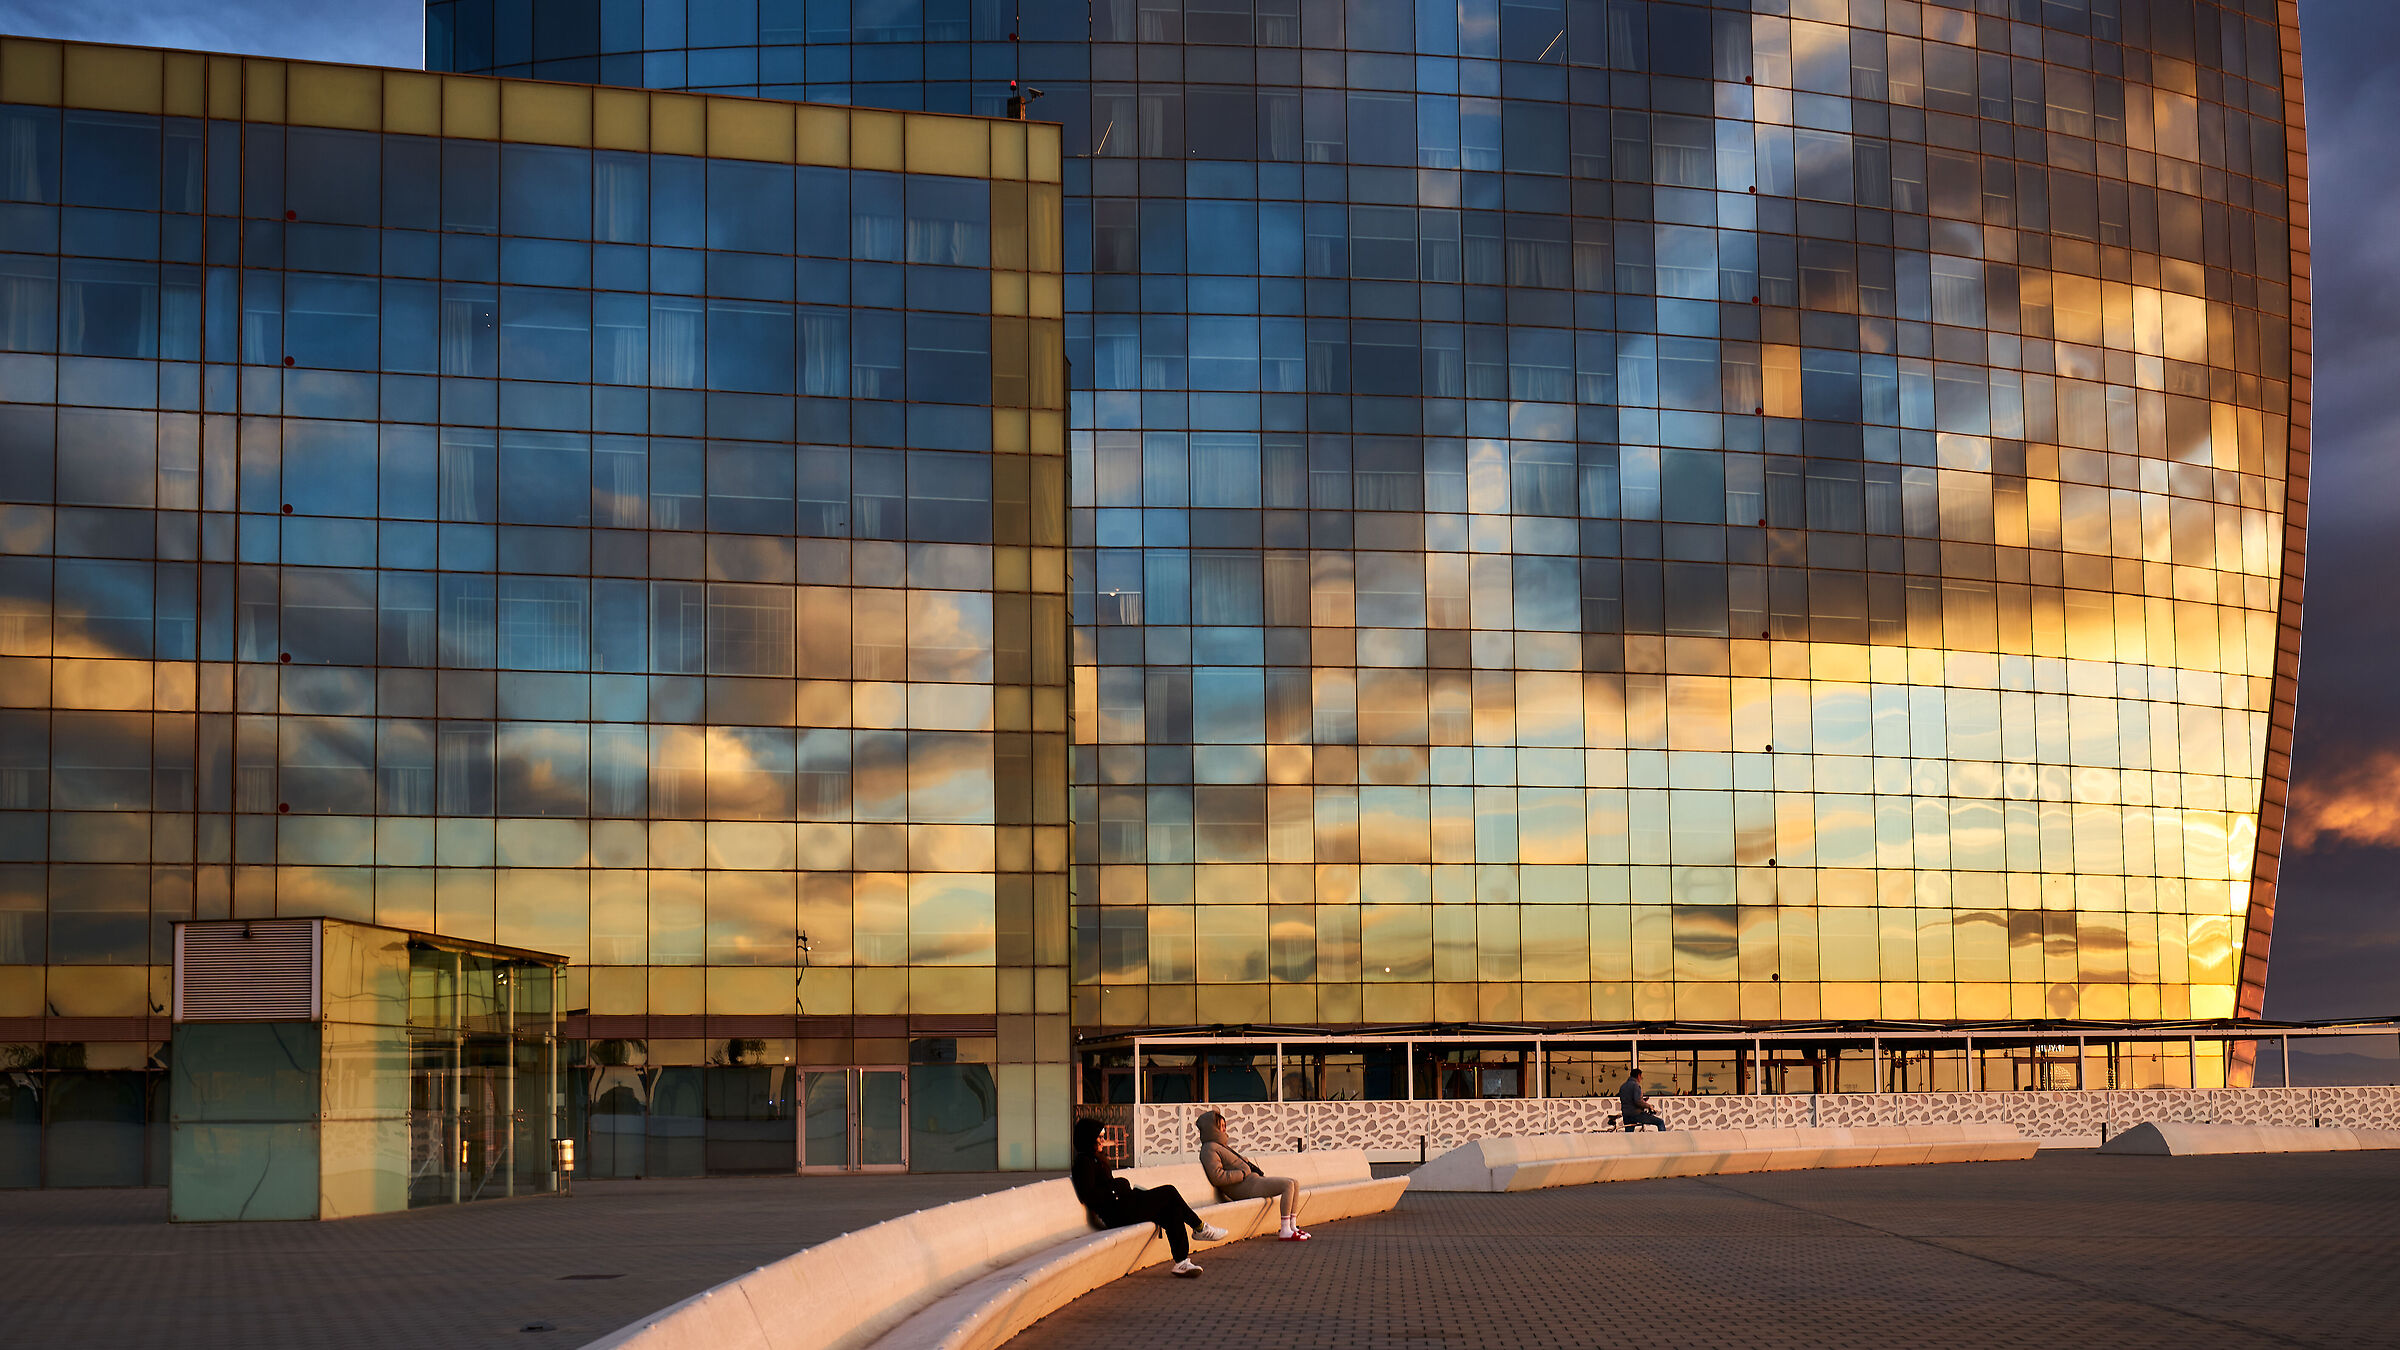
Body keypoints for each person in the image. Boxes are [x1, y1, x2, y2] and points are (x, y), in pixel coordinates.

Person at [1072, 1117, 1226, 1277]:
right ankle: (1200, 1228)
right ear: (1089, 1138)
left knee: (1173, 1211)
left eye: (1103, 1136)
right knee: (1169, 1191)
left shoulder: (1097, 1158)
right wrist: (1117, 1187)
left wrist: (1118, 1187)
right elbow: (1088, 1195)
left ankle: (1181, 1262)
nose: (1104, 1140)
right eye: (1100, 1136)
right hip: (1117, 1214)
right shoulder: (1083, 1162)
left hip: (1125, 1205)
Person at [1195, 1110, 1310, 1241]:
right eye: (1221, 1126)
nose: (1224, 1129)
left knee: (1294, 1182)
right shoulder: (1209, 1149)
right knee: (1287, 1185)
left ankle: (1292, 1227)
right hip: (1247, 1188)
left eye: (1224, 1125)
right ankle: (1285, 1230)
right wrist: (1242, 1173)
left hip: (1252, 1181)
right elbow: (1217, 1177)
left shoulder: (1221, 1146)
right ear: (1212, 1128)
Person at [1616, 1067, 1667, 1132]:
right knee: (1660, 1122)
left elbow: (1627, 1100)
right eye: (1641, 1076)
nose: (1641, 1078)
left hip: (1626, 1114)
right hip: (1636, 1114)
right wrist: (1649, 1106)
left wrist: (1643, 1101)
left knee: (1629, 1134)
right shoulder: (1635, 1085)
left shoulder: (1623, 1086)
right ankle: (1663, 1138)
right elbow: (1638, 1101)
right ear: (1638, 1076)